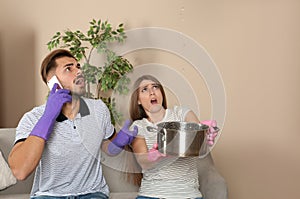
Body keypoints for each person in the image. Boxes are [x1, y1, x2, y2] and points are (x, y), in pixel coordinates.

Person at [8, 49, 137, 199]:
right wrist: (48, 117)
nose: (79, 72)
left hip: (92, 193)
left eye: (78, 67)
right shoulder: (33, 118)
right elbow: (20, 171)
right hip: (49, 195)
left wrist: (120, 141)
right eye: (69, 69)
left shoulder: (98, 109)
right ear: (52, 82)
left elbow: (107, 148)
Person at [128, 75, 218, 199]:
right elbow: (143, 162)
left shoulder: (181, 113)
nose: (152, 92)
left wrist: (204, 133)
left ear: (161, 93)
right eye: (144, 89)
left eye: (155, 87)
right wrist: (158, 154)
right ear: (138, 100)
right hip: (151, 194)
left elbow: (197, 138)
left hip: (187, 194)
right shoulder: (138, 126)